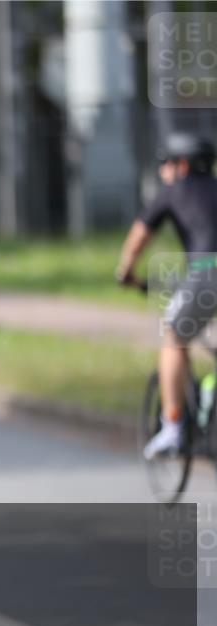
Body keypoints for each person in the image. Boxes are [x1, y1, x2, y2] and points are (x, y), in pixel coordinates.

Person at [116, 133, 217, 459]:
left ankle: (172, 426)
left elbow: (139, 237)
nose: (163, 173)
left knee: (175, 339)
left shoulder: (174, 190)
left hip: (206, 273)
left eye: (166, 165)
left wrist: (126, 272)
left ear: (182, 165)